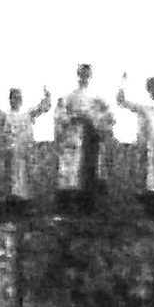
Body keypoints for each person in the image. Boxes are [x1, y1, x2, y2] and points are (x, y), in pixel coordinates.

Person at [54, 64, 114, 214]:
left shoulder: (96, 96)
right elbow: (60, 114)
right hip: (73, 136)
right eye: (82, 74)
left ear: (90, 75)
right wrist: (72, 118)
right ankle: (67, 205)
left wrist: (97, 122)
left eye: (87, 74)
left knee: (89, 168)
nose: (84, 77)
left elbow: (108, 115)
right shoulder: (70, 96)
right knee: (70, 171)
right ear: (78, 75)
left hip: (90, 136)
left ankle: (88, 205)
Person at [116, 76, 154, 218]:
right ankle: (152, 211)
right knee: (151, 177)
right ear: (148, 89)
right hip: (151, 147)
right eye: (152, 87)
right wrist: (123, 81)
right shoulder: (144, 107)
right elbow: (121, 101)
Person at [0, 87, 51, 219]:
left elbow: (41, 109)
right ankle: (9, 210)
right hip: (9, 156)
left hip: (23, 155)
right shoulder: (5, 115)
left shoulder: (26, 115)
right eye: (13, 98)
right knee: (10, 183)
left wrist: (47, 96)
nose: (16, 100)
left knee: (23, 181)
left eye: (18, 98)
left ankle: (23, 209)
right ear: (10, 100)